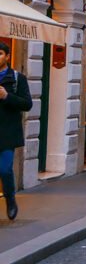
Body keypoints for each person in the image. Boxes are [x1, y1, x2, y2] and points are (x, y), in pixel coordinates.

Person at [0, 42, 32, 220]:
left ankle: (10, 199)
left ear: (7, 56)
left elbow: (27, 104)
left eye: (0, 54)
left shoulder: (17, 78)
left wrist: (7, 97)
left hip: (7, 133)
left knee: (5, 169)